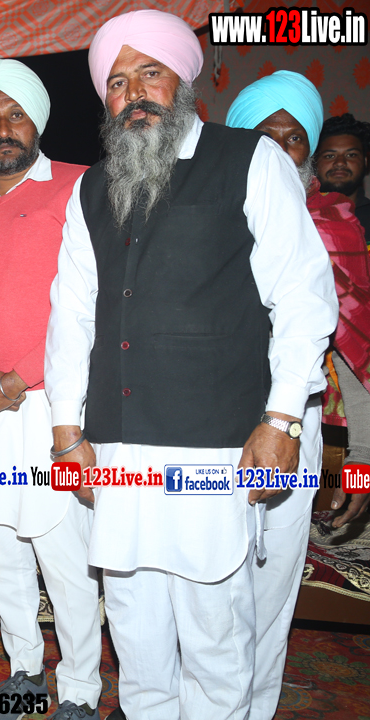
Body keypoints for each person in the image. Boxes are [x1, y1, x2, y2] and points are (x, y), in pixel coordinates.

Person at [45, 10, 338, 720]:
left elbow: (304, 296)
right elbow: (70, 313)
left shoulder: (250, 160)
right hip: (117, 447)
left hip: (217, 448)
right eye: (118, 83)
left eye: (150, 73)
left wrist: (281, 420)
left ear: (182, 79)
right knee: (136, 632)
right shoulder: (92, 188)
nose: (134, 93)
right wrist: (65, 431)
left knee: (216, 639)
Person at [0, 60, 100, 720]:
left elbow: (90, 301)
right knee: (1, 544)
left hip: (51, 405)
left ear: (37, 121)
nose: (3, 127)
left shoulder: (80, 186)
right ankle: (24, 671)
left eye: (15, 115)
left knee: (63, 553)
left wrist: (19, 376)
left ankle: (81, 688)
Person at [225, 68, 367, 720]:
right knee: (207, 585)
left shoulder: (333, 227)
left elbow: (354, 364)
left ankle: (253, 709)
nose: (280, 152)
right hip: (208, 425)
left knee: (273, 583)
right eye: (265, 137)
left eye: (294, 139)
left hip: (295, 428)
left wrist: (358, 466)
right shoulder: (211, 217)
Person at [315, 113, 370, 245]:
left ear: (365, 162)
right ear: (314, 163)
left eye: (351, 155)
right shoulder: (300, 217)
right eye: (329, 156)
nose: (340, 162)